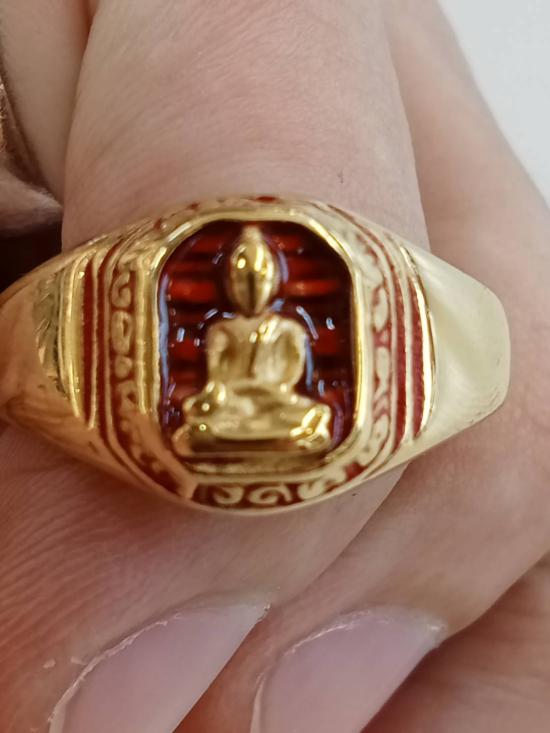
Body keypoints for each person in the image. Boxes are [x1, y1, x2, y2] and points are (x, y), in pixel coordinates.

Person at [0, 2, 548, 732]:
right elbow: (211, 395)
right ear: (232, 280)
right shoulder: (223, 332)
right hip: (216, 424)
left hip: (287, 422)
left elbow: (291, 394)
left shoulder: (289, 333)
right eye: (244, 273)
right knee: (205, 420)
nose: (254, 284)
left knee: (303, 419)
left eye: (263, 273)